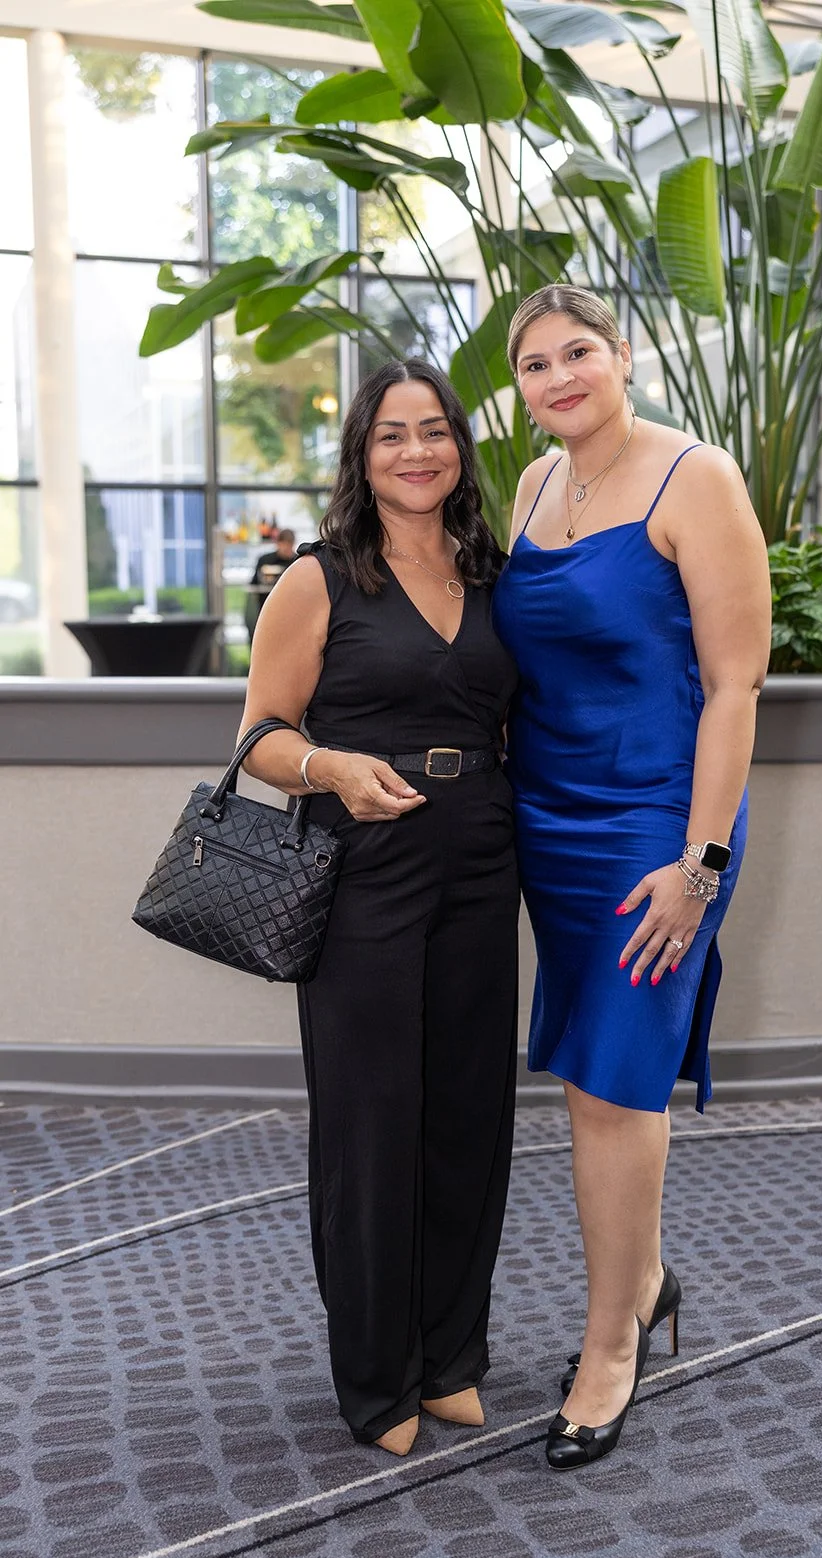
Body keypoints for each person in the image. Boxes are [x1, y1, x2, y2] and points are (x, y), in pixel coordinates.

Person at [492, 285, 771, 1471]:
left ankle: (611, 1344)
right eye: (534, 364)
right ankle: (644, 1281)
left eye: (577, 353)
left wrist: (697, 867)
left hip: (655, 824)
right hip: (548, 819)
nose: (557, 378)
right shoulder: (531, 485)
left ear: (624, 356)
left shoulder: (692, 477)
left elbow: (734, 687)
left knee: (618, 1085)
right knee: (587, 1082)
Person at [238, 359, 520, 1458]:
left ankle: (450, 1355)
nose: (416, 451)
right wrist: (334, 768)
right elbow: (258, 736)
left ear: (459, 448)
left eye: (435, 431)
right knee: (370, 1123)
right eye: (391, 434)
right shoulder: (317, 580)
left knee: (466, 1116)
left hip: (480, 859)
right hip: (361, 864)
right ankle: (376, 1376)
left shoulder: (493, 573)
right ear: (362, 455)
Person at [245, 527, 299, 642]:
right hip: (265, 606)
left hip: (289, 610)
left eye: (289, 545)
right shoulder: (265, 560)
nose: (286, 549)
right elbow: (254, 583)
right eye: (284, 544)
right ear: (278, 543)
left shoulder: (297, 562)